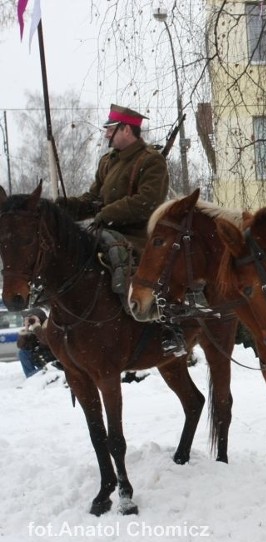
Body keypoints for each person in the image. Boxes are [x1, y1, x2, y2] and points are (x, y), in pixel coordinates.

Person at [55, 104, 183, 356]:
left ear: (126, 129)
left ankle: (165, 323)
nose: (105, 135)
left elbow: (147, 201)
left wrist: (106, 213)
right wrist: (64, 207)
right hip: (106, 229)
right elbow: (94, 199)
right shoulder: (108, 162)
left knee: (119, 256)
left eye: (110, 129)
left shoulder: (151, 161)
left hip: (140, 235)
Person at [17, 308, 54, 378]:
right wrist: (26, 330)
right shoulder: (31, 328)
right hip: (39, 358)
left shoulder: (49, 326)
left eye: (32, 318)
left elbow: (45, 342)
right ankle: (31, 376)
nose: (31, 321)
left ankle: (38, 375)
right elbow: (20, 345)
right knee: (22, 352)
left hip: (51, 359)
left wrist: (37, 327)